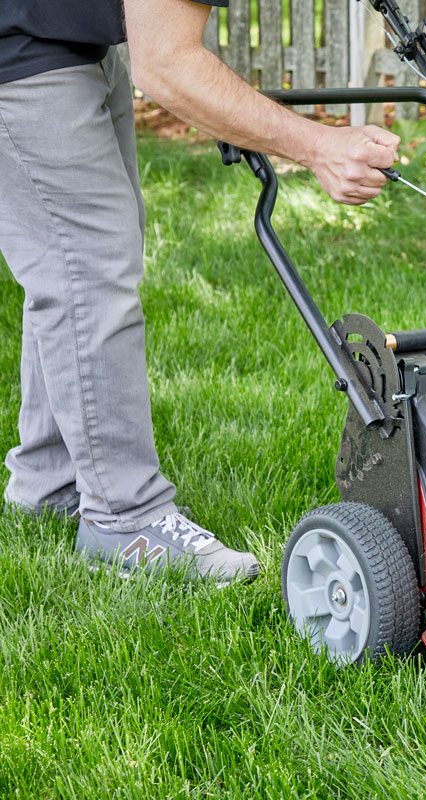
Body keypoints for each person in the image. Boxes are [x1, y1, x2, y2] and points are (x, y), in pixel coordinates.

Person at [0, 0, 401, 582]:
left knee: (79, 260)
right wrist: (319, 147)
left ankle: (49, 481)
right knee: (86, 269)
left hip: (73, 35)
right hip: (20, 50)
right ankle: (124, 515)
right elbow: (166, 65)